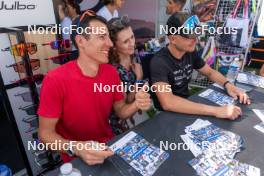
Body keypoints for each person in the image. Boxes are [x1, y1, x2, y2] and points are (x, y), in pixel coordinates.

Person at [38, 11, 151, 165]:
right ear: (81, 41)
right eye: (101, 37)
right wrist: (76, 148)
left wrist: (137, 103)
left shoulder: (111, 73)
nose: (110, 44)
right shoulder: (55, 80)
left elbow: (121, 112)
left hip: (109, 147)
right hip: (76, 160)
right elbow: (45, 134)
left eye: (109, 37)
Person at [150, 12, 250, 120]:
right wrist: (216, 111)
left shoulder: (188, 51)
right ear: (173, 39)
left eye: (196, 33)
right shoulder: (159, 62)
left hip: (187, 106)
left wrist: (229, 85)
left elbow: (210, 72)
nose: (195, 39)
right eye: (189, 36)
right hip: (164, 115)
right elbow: (167, 102)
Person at [108, 16, 144, 134]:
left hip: (135, 118)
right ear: (113, 45)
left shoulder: (133, 55)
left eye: (132, 37)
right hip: (120, 126)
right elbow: (125, 106)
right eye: (125, 41)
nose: (132, 43)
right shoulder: (114, 70)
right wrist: (138, 80)